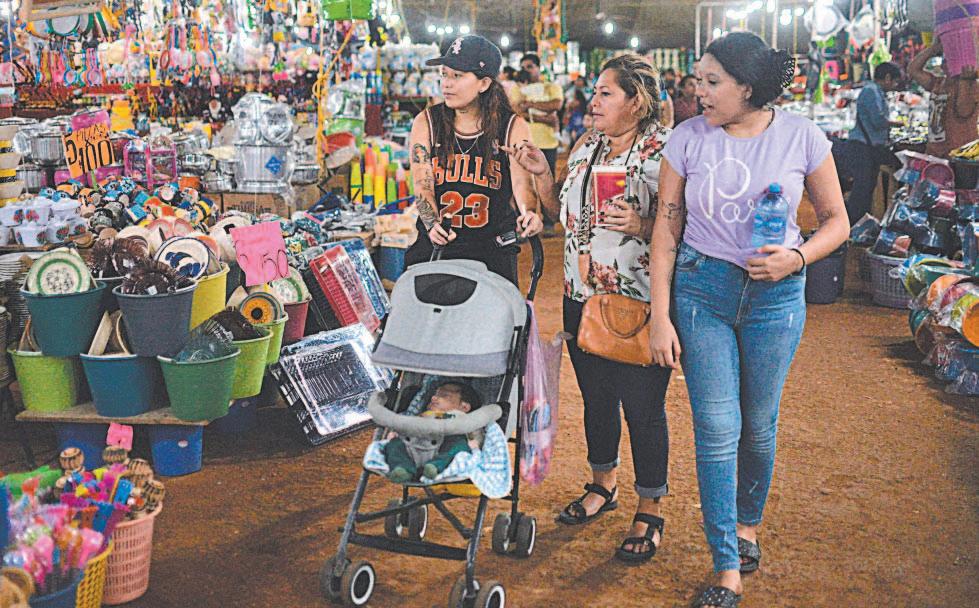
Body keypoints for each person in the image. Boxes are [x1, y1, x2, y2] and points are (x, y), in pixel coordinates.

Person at [648, 32, 849, 607]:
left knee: (758, 425)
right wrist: (660, 314)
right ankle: (726, 566)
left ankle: (746, 525)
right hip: (701, 293)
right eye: (699, 80)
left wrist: (797, 257)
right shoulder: (687, 138)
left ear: (749, 87)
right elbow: (667, 228)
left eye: (712, 82)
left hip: (776, 300)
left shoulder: (802, 136)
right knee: (717, 428)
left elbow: (837, 221)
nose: (699, 92)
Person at [509, 53, 673, 565]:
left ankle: (650, 508)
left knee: (642, 409)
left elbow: (690, 229)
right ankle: (604, 483)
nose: (593, 101)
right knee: (596, 399)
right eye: (596, 92)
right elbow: (561, 212)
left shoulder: (666, 152)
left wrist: (642, 226)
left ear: (636, 101)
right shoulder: (586, 145)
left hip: (636, 301)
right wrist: (542, 175)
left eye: (606, 93)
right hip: (580, 295)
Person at [405, 35, 543, 285]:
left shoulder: (511, 127)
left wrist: (529, 213)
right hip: (438, 246)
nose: (447, 84)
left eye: (457, 76)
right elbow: (422, 183)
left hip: (491, 251)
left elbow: (523, 184)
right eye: (444, 74)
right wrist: (432, 223)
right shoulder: (427, 122)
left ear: (484, 83)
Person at [839, 62, 902, 225]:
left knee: (866, 188)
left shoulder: (875, 91)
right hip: (862, 147)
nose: (895, 86)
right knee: (862, 189)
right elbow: (877, 120)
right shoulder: (871, 91)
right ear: (887, 78)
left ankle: (859, 224)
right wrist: (897, 124)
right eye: (895, 81)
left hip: (867, 146)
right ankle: (852, 225)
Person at [382, 382, 483, 482]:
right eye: (435, 394)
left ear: (464, 407)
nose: (433, 398)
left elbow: (475, 435)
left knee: (460, 446)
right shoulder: (425, 415)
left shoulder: (462, 418)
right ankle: (403, 468)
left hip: (443, 448)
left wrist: (475, 444)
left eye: (444, 395)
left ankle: (434, 466)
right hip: (416, 447)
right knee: (394, 444)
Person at [908, 40, 979, 158]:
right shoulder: (938, 83)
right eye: (945, 61)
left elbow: (963, 111)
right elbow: (913, 70)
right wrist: (933, 49)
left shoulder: (972, 86)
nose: (944, 65)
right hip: (934, 152)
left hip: (959, 154)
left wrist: (965, 80)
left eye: (949, 61)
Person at [510, 53, 564, 175]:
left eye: (530, 67)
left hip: (548, 143)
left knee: (547, 178)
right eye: (523, 68)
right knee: (526, 181)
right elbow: (516, 112)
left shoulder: (551, 86)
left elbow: (556, 105)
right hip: (524, 143)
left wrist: (530, 104)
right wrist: (543, 118)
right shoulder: (517, 88)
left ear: (539, 68)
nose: (526, 70)